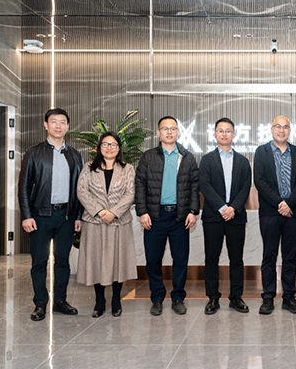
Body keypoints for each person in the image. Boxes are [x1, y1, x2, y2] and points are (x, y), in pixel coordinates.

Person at [18, 108, 84, 322]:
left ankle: (60, 301)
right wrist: (26, 215)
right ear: (46, 125)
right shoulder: (34, 153)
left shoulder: (74, 155)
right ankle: (40, 303)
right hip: (40, 216)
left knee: (63, 261)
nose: (58, 126)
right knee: (39, 261)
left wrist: (78, 216)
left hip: (66, 217)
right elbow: (23, 187)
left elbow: (80, 189)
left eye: (62, 122)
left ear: (67, 126)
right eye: (54, 121)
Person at [134, 116, 200, 316]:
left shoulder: (187, 157)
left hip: (180, 217)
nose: (169, 132)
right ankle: (157, 298)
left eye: (173, 129)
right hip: (155, 217)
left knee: (180, 260)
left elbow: (194, 187)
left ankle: (178, 298)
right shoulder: (148, 157)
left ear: (178, 132)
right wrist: (142, 212)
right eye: (165, 129)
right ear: (158, 133)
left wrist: (193, 211)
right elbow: (140, 185)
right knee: (153, 260)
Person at [76, 132, 137, 318]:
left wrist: (114, 213)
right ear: (99, 147)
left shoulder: (127, 168)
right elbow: (82, 191)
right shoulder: (88, 168)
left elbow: (130, 193)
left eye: (113, 144)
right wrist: (100, 211)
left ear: (119, 148)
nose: (109, 148)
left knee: (119, 261)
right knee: (96, 261)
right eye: (105, 144)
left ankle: (116, 300)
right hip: (94, 222)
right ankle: (99, 301)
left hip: (119, 222)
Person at [254, 116, 296, 315]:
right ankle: (268, 297)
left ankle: (289, 296)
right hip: (270, 212)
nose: (282, 130)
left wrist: (289, 203)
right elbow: (259, 181)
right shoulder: (262, 152)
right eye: (278, 126)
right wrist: (279, 203)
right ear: (271, 129)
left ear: (290, 130)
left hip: (293, 212)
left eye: (285, 127)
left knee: (290, 257)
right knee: (269, 255)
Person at [199, 118, 252, 315]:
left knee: (236, 259)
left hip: (236, 217)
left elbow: (245, 187)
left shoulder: (243, 161)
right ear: (214, 134)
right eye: (220, 131)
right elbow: (205, 186)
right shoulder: (206, 160)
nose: (224, 134)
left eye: (228, 131)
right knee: (211, 258)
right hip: (213, 216)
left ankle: (236, 297)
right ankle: (213, 297)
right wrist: (222, 208)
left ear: (234, 134)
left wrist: (233, 208)